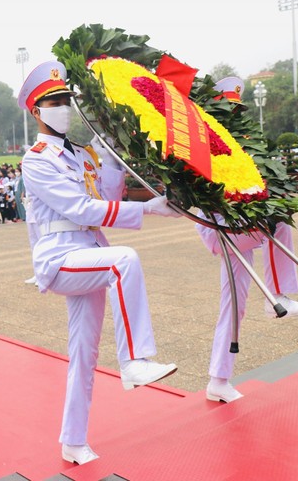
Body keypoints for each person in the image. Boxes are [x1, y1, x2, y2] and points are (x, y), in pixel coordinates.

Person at [19, 61, 179, 465]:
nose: (64, 108)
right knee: (123, 261)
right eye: (54, 102)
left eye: (66, 100)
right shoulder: (37, 159)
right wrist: (151, 211)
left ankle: (73, 441)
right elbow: (81, 208)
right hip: (59, 258)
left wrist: (108, 150)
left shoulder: (81, 154)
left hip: (86, 254)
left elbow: (107, 192)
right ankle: (134, 361)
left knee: (84, 353)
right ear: (37, 112)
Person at [196, 77, 298, 404]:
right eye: (228, 108)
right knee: (278, 226)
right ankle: (277, 296)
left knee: (234, 306)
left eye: (237, 108)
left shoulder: (243, 143)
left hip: (242, 225)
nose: (234, 114)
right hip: (221, 229)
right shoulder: (204, 144)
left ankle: (218, 380)